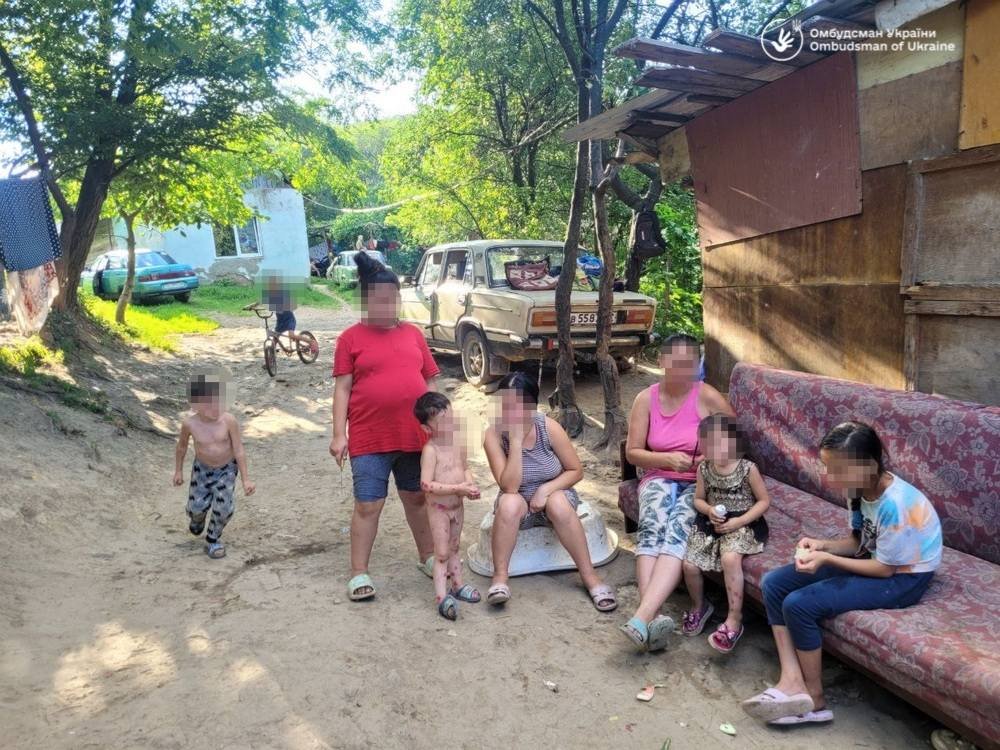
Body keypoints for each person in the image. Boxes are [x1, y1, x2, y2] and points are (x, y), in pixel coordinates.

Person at [742, 421, 942, 726]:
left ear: (869, 466)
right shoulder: (858, 489)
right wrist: (822, 545)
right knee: (773, 583)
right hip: (876, 558)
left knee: (799, 604)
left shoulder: (896, 504)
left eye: (838, 470)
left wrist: (825, 559)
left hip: (905, 578)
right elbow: (857, 542)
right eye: (827, 468)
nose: (830, 477)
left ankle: (814, 700)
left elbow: (884, 570)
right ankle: (791, 679)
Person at [330, 251, 439, 602]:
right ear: (365, 301)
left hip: (414, 435)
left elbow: (430, 381)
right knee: (368, 505)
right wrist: (338, 435)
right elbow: (342, 388)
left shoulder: (414, 334)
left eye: (392, 298)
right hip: (369, 436)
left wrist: (437, 423)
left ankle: (428, 556)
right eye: (379, 300)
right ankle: (358, 572)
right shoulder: (350, 339)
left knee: (417, 498)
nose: (387, 305)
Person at [620, 334, 733, 651]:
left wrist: (707, 458)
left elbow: (735, 441)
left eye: (690, 363)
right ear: (662, 361)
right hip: (658, 475)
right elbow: (633, 453)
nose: (684, 369)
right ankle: (650, 617)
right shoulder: (646, 399)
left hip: (700, 481)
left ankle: (642, 618)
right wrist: (666, 459)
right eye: (677, 362)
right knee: (652, 526)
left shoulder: (706, 396)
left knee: (678, 527)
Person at [482, 372, 617, 612]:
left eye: (518, 406)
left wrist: (546, 489)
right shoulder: (493, 435)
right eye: (505, 404)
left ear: (532, 406)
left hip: (554, 493)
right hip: (518, 498)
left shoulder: (548, 427)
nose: (510, 412)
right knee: (509, 502)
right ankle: (500, 577)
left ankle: (590, 577)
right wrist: (515, 442)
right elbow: (509, 486)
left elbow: (575, 470)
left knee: (558, 503)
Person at [682, 413, 770, 652]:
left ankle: (734, 618)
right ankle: (699, 606)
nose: (713, 450)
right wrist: (708, 510)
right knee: (689, 564)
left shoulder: (747, 468)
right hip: (713, 523)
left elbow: (763, 501)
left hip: (744, 523)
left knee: (730, 558)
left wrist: (740, 521)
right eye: (707, 445)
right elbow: (698, 499)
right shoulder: (704, 468)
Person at [414, 392, 482, 620]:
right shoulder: (431, 451)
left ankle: (458, 585)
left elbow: (465, 467)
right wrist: (457, 488)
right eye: (442, 422)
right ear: (427, 428)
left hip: (457, 506)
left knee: (455, 547)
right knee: (442, 552)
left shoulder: (457, 443)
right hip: (439, 509)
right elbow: (426, 484)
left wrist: (469, 484)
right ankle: (441, 596)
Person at [173, 375, 255, 559]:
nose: (215, 408)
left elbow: (239, 449)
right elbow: (182, 447)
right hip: (202, 470)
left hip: (226, 469)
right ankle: (197, 518)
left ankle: (213, 539)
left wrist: (246, 480)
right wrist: (178, 471)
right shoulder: (189, 424)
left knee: (224, 508)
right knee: (196, 507)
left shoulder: (228, 421)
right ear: (195, 405)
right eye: (209, 404)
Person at [263, 274, 318, 355]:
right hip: (280, 320)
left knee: (291, 335)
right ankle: (270, 357)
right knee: (275, 337)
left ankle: (311, 342)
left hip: (289, 318)